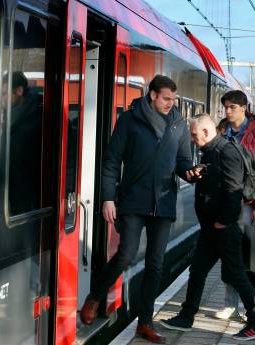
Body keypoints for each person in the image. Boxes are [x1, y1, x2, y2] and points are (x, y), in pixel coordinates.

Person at [79, 75, 193, 343]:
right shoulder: (130, 120)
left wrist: (191, 173)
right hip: (133, 199)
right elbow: (111, 160)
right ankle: (95, 295)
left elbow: (184, 161)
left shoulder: (179, 124)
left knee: (156, 264)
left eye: (173, 99)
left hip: (163, 203)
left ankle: (145, 322)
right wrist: (108, 198)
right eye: (166, 98)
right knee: (126, 255)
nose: (170, 103)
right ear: (152, 95)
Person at [159, 114, 255, 341]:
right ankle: (186, 317)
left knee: (236, 273)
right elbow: (217, 183)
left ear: (207, 132)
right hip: (211, 228)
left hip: (223, 228)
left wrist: (224, 221)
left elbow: (232, 191)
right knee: (197, 270)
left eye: (195, 136)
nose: (193, 140)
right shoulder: (211, 152)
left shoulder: (226, 152)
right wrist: (199, 174)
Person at [215, 90, 255, 320]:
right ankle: (230, 303)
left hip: (247, 202)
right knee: (229, 253)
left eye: (232, 107)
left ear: (243, 108)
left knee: (246, 255)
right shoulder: (222, 131)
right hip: (224, 201)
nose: (228, 111)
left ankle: (251, 303)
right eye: (226, 107)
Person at [3, 71, 42, 215]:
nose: (2, 99)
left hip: (31, 201)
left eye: (5, 94)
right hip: (13, 194)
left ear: (19, 91)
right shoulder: (12, 116)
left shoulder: (39, 116)